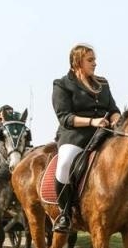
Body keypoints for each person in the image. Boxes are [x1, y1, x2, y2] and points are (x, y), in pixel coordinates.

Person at [50, 44, 121, 233]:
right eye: (90, 60)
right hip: (75, 135)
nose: (95, 63)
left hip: (105, 133)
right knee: (65, 163)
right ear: (77, 62)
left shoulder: (102, 83)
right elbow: (64, 117)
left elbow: (113, 109)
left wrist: (117, 119)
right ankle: (64, 214)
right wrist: (92, 121)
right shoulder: (62, 84)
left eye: (94, 59)